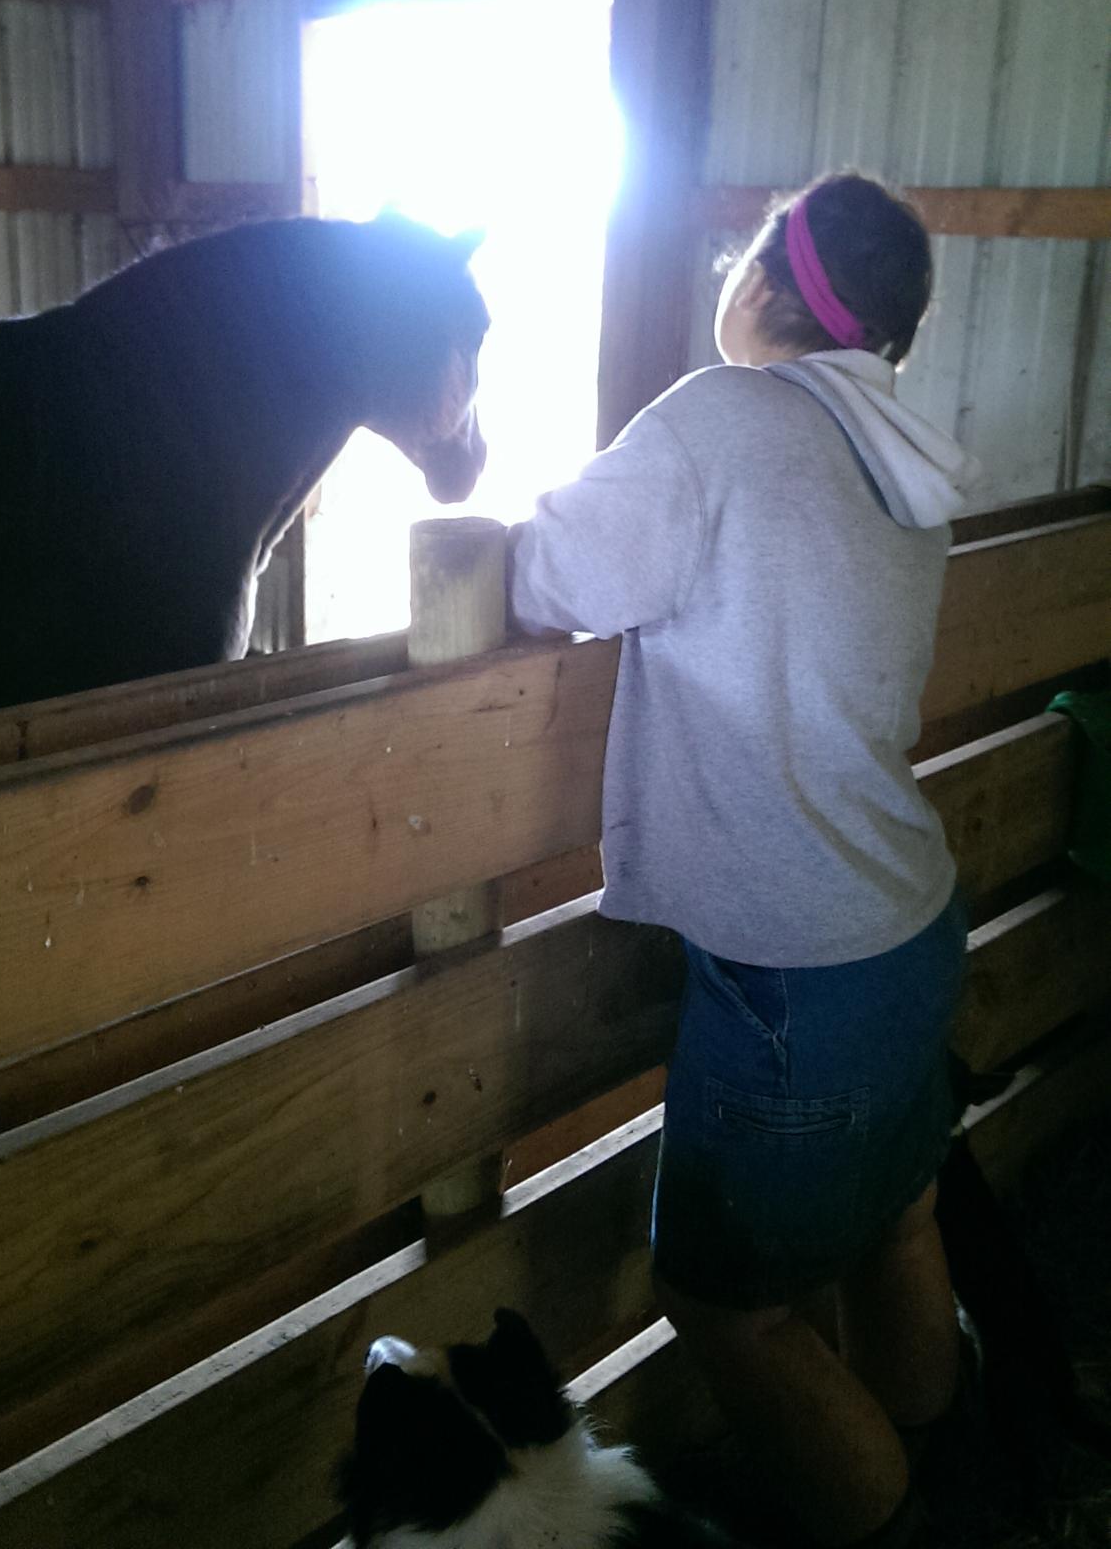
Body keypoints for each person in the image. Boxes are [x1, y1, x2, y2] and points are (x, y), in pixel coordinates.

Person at [507, 173, 981, 1548]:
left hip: (795, 975)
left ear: (767, 285)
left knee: (727, 1308)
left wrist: (494, 540)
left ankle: (882, 1523)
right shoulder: (904, 454)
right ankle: (948, 1469)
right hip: (909, 926)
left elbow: (551, 577)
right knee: (897, 1222)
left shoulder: (723, 416)